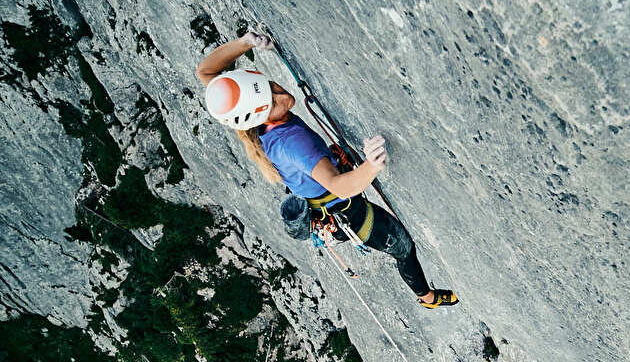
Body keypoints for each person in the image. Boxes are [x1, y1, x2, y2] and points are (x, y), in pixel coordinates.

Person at [195, 31, 457, 308]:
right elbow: (342, 187)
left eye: (270, 85)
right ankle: (427, 298)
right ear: (259, 113)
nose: (281, 94)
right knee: (403, 248)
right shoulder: (292, 142)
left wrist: (245, 43)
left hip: (321, 201)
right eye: (272, 101)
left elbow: (206, 71)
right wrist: (371, 163)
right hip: (345, 212)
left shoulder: (246, 111)